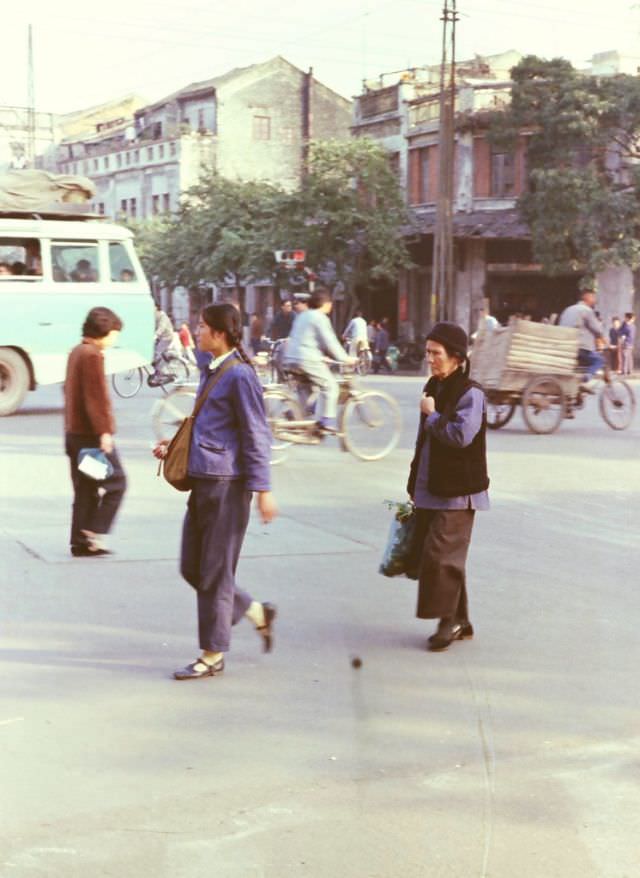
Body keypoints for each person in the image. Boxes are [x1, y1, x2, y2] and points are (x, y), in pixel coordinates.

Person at [152, 303, 278, 681]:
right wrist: (175, 448)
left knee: (215, 572)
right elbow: (209, 427)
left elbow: (257, 433)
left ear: (220, 334)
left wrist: (263, 489)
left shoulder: (239, 375)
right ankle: (255, 612)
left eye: (204, 326)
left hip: (227, 486)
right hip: (204, 481)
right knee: (192, 566)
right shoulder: (214, 369)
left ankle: (212, 654)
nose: (198, 330)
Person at [406, 322, 489, 652]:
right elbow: (422, 442)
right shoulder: (434, 385)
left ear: (456, 358)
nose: (430, 359)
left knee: (440, 556)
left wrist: (433, 414)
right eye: (427, 353)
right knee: (444, 556)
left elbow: (460, 435)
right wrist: (414, 483)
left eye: (436, 354)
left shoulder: (471, 392)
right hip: (432, 486)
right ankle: (461, 620)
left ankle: (448, 621)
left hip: (458, 490)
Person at [64, 307, 127, 557]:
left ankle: (80, 541)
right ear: (104, 331)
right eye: (114, 333)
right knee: (117, 482)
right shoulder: (92, 355)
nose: (116, 338)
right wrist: (105, 432)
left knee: (86, 488)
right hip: (90, 438)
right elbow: (96, 399)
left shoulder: (77, 351)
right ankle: (92, 530)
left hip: (74, 436)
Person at [284, 287, 357, 433]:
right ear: (325, 303)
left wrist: (321, 357)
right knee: (330, 386)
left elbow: (306, 340)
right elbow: (330, 342)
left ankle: (296, 416)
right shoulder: (320, 317)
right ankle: (327, 421)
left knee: (306, 390)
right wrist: (345, 358)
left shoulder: (303, 316)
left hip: (291, 358)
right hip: (305, 358)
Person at [558, 282, 605, 385]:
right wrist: (603, 340)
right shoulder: (586, 310)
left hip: (564, 345)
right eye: (593, 297)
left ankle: (577, 386)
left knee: (579, 365)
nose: (594, 300)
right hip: (579, 346)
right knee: (600, 361)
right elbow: (597, 330)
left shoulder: (568, 309)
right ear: (586, 297)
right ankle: (586, 379)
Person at [150, 303, 175, 386]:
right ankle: (158, 369)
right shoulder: (153, 316)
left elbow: (162, 327)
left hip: (167, 337)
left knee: (157, 353)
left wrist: (156, 335)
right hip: (161, 338)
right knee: (152, 354)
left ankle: (160, 374)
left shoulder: (162, 315)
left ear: (156, 307)